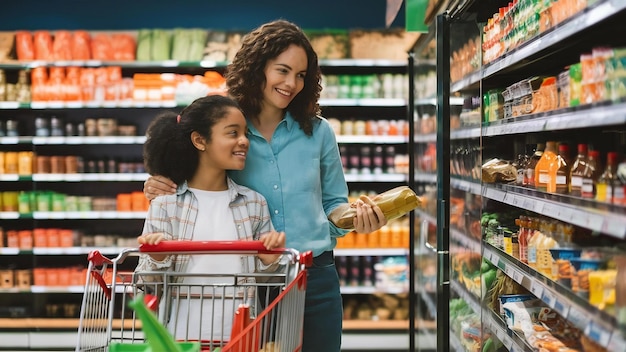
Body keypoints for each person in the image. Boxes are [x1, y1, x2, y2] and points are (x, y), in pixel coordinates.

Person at [143, 19, 388, 352]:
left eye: (301, 75)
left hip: (313, 275)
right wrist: (159, 183)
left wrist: (356, 218)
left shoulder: (318, 132)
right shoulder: (228, 127)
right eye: (283, 71)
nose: (292, 84)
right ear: (257, 68)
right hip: (246, 281)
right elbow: (191, 174)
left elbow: (334, 202)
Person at [135, 94, 286, 342]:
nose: (244, 141)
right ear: (199, 140)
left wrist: (270, 262)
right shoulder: (165, 205)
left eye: (245, 133)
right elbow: (147, 284)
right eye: (232, 133)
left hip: (240, 339)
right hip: (179, 340)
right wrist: (157, 258)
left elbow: (267, 282)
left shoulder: (254, 203)